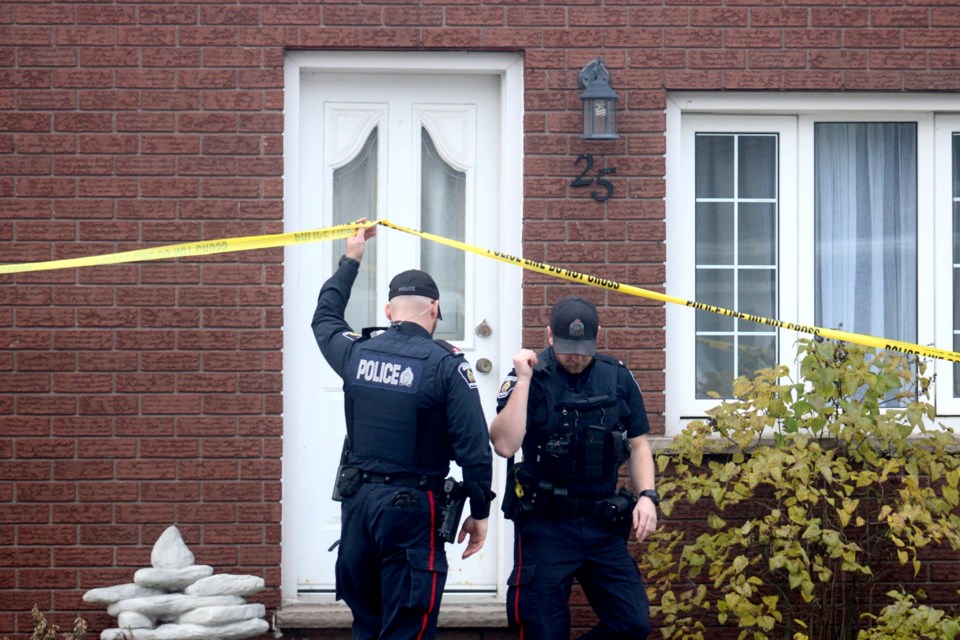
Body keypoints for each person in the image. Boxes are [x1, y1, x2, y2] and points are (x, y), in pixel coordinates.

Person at [312, 222, 494, 640]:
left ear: (389, 312)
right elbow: (474, 450)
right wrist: (479, 511)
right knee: (407, 628)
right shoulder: (447, 365)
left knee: (367, 623)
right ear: (435, 309)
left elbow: (324, 318)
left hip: (357, 508)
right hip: (412, 511)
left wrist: (351, 259)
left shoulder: (356, 352)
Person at [490, 295, 657, 640]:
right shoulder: (529, 377)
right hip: (546, 524)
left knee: (633, 623)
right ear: (550, 336)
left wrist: (647, 496)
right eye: (567, 347)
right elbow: (505, 443)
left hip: (602, 523)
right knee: (542, 631)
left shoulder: (617, 377)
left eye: (584, 348)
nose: (576, 357)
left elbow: (639, 444)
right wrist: (523, 380)